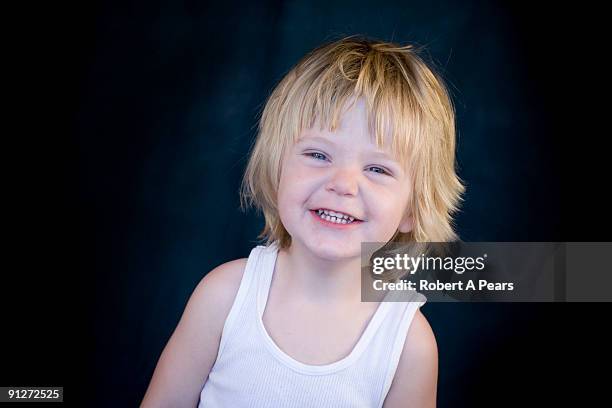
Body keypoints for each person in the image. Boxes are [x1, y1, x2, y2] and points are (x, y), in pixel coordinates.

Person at [141, 35, 465, 407]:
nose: (342, 184)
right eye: (318, 154)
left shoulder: (408, 344)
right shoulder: (224, 297)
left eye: (377, 168)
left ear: (413, 208)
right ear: (277, 167)